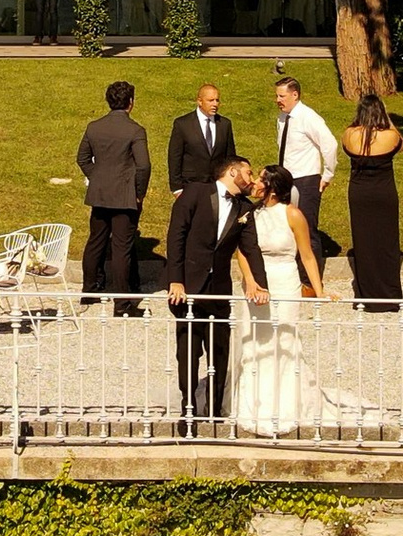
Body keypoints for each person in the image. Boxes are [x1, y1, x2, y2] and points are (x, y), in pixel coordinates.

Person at [225, 165, 379, 437]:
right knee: (252, 339)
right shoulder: (250, 213)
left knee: (282, 339)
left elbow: (306, 255)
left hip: (284, 280)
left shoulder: (293, 215)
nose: (256, 182)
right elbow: (243, 252)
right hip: (256, 282)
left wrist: (319, 290)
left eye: (261, 179)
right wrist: (249, 280)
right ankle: (250, 404)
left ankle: (284, 405)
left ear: (273, 188)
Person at [164, 154, 266, 432]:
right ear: (233, 172)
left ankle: (215, 409)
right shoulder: (195, 193)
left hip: (219, 288)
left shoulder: (244, 207)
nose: (252, 178)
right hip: (188, 287)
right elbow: (176, 236)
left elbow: (251, 248)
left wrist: (261, 284)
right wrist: (176, 280)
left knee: (219, 350)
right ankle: (188, 409)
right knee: (188, 351)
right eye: (248, 172)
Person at [76, 79, 151, 316]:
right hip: (125, 197)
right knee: (121, 249)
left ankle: (89, 290)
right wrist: (139, 192)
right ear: (131, 102)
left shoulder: (94, 127)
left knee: (96, 241)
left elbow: (82, 158)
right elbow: (144, 166)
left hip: (100, 194)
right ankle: (122, 304)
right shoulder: (135, 130)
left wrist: (97, 177)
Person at [341, 95, 403, 311]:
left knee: (363, 242)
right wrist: (388, 119)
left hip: (359, 193)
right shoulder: (390, 136)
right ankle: (388, 294)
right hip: (384, 193)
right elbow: (402, 145)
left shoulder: (350, 134)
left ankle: (366, 293)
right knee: (387, 242)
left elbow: (345, 144)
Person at [271, 77, 339, 256]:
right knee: (288, 227)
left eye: (282, 96)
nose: (278, 100)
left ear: (295, 95)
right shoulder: (282, 118)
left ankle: (311, 272)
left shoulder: (308, 117)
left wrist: (327, 175)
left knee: (306, 228)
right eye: (277, 96)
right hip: (286, 180)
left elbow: (329, 144)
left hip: (305, 180)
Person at [166, 84, 237, 196]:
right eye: (210, 100)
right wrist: (177, 188)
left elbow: (230, 157)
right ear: (199, 101)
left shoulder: (224, 124)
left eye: (217, 100)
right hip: (190, 186)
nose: (215, 104)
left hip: (217, 187)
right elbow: (175, 157)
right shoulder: (183, 124)